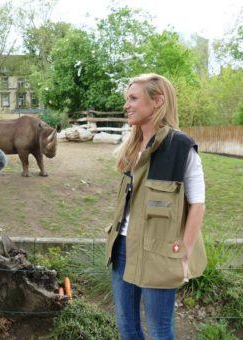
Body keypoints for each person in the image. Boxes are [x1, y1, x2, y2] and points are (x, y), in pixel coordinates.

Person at [105, 73, 207, 340]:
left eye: (133, 98)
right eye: (127, 99)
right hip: (124, 246)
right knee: (127, 327)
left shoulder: (180, 147)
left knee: (160, 330)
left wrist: (183, 254)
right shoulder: (131, 147)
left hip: (160, 252)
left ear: (157, 100)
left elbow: (197, 205)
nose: (127, 105)